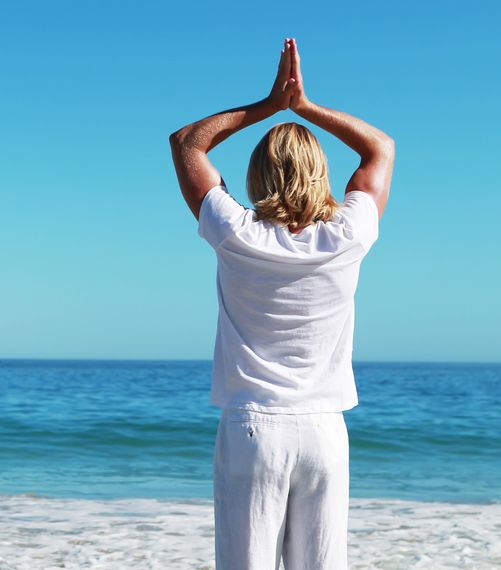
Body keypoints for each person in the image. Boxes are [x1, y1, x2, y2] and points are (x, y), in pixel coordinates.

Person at [168, 38, 395, 569]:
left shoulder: (235, 232)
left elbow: (186, 144)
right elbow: (380, 147)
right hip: (323, 431)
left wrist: (269, 106)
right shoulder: (349, 235)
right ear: (321, 173)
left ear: (257, 175)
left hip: (253, 429)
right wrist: (306, 106)